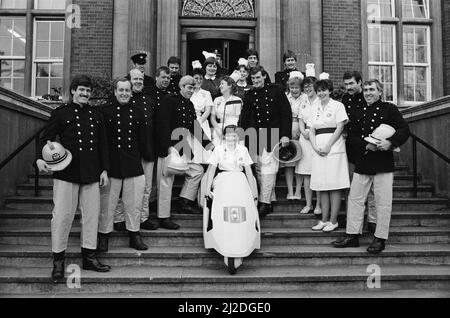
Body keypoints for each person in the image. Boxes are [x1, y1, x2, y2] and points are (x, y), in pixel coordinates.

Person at [36, 75, 111, 283]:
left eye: (88, 91)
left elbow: (103, 144)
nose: (85, 94)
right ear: (72, 91)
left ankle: (89, 257)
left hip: (92, 173)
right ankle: (58, 261)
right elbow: (45, 139)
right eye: (81, 90)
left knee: (91, 216)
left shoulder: (97, 115)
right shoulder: (61, 113)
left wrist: (104, 169)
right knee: (61, 217)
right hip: (66, 173)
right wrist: (39, 159)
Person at [333, 80, 410, 254]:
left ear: (380, 92)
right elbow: (351, 135)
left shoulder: (389, 109)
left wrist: (389, 142)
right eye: (366, 90)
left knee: (383, 203)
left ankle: (380, 238)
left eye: (372, 90)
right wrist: (365, 146)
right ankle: (352, 235)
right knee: (355, 199)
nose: (368, 92)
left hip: (383, 162)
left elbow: (404, 130)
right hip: (363, 160)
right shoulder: (357, 110)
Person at [98, 78, 152, 252]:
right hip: (112, 165)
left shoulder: (137, 112)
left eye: (127, 90)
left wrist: (148, 158)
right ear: (115, 92)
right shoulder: (105, 111)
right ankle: (104, 235)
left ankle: (134, 235)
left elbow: (144, 139)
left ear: (131, 92)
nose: (124, 93)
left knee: (134, 203)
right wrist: (103, 167)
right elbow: (102, 142)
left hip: (133, 164)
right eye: (120, 90)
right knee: (107, 203)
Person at [240, 65, 292, 217]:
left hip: (272, 132)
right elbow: (245, 116)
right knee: (259, 169)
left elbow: (286, 113)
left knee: (268, 168)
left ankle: (265, 203)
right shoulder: (249, 95)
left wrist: (285, 134)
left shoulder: (276, 90)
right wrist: (242, 136)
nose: (255, 80)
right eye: (253, 78)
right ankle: (269, 198)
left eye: (258, 77)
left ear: (264, 76)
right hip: (256, 134)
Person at [112, 69, 159, 233]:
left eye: (140, 79)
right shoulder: (122, 98)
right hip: (128, 151)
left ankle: (143, 217)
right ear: (129, 80)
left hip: (147, 149)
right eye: (135, 79)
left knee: (146, 188)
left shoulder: (149, 100)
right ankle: (119, 218)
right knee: (122, 188)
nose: (138, 81)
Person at [155, 76, 205, 229]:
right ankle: (164, 217)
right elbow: (162, 125)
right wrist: (168, 147)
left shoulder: (189, 105)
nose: (191, 91)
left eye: (193, 88)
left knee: (197, 170)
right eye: (189, 88)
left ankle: (184, 201)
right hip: (168, 146)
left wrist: (210, 146)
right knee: (165, 182)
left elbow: (195, 127)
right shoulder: (169, 101)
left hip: (183, 145)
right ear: (181, 87)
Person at [309, 75, 350, 233]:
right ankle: (324, 220)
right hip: (318, 149)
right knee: (322, 185)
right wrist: (314, 145)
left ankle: (333, 221)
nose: (321, 93)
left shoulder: (338, 106)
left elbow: (339, 128)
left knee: (334, 185)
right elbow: (311, 129)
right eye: (318, 91)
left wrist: (327, 146)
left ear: (330, 91)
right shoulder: (314, 107)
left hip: (334, 148)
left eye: (324, 90)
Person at [342, 71, 376, 233]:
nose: (348, 87)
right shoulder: (345, 99)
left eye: (351, 84)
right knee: (352, 189)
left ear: (360, 83)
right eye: (346, 84)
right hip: (350, 149)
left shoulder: (368, 97)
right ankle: (354, 224)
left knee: (370, 189)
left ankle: (372, 221)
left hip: (367, 149)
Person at [205, 125, 257, 203]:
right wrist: (207, 189)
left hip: (239, 177)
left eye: (234, 136)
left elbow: (249, 172)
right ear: (224, 136)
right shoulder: (218, 149)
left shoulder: (243, 150)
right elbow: (211, 171)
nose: (231, 138)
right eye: (228, 135)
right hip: (223, 177)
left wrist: (253, 191)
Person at [296, 76, 322, 215]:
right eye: (305, 87)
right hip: (305, 138)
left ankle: (318, 204)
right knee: (306, 174)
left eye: (310, 86)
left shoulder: (321, 101)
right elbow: (300, 119)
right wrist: (302, 132)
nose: (307, 89)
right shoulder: (303, 101)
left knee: (316, 172)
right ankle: (308, 204)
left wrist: (311, 133)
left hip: (317, 137)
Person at [282, 72, 304, 201]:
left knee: (300, 163)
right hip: (287, 129)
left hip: (301, 131)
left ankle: (298, 190)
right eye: (292, 87)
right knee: (288, 162)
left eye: (296, 87)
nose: (294, 90)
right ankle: (290, 190)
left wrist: (301, 131)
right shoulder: (285, 97)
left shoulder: (305, 98)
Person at [211, 76, 243, 146]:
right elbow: (212, 118)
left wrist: (231, 131)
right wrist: (218, 130)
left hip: (233, 129)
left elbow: (239, 118)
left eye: (222, 84)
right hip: (218, 129)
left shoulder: (237, 100)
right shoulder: (216, 100)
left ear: (230, 85)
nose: (220, 86)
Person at [191, 64, 214, 142]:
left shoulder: (206, 93)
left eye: (201, 78)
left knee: (204, 148)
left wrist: (199, 122)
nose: (199, 81)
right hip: (190, 121)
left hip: (202, 121)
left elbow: (208, 110)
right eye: (196, 78)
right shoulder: (188, 92)